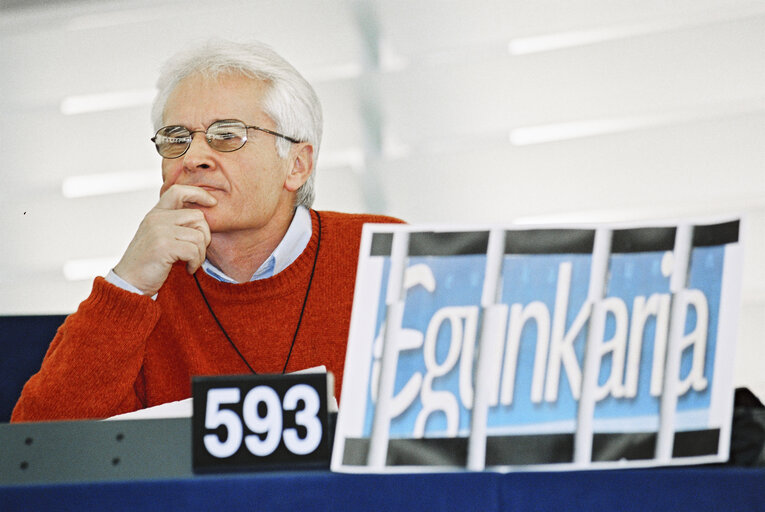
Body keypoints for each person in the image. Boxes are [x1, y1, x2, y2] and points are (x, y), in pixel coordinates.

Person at [12, 39, 402, 422]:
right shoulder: (144, 290)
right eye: (177, 139)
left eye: (227, 135)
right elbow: (38, 453)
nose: (194, 158)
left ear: (296, 165)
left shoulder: (387, 255)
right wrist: (127, 286)